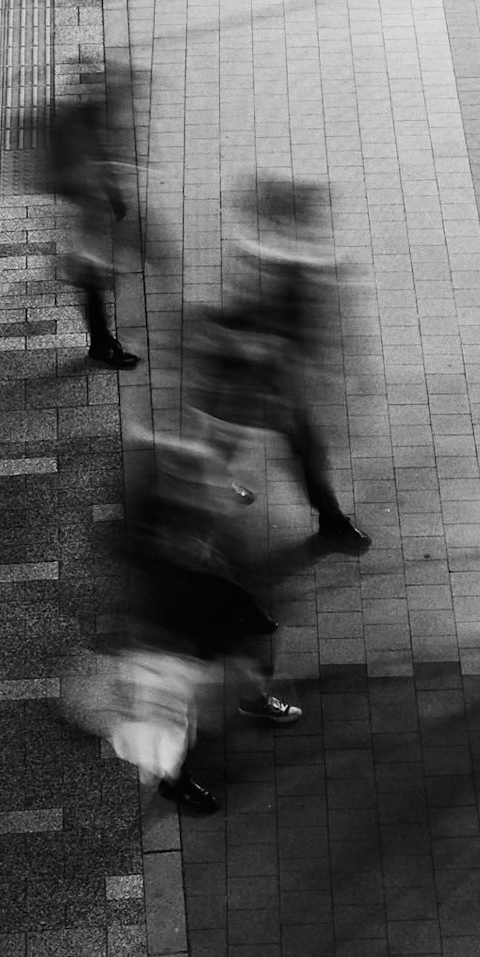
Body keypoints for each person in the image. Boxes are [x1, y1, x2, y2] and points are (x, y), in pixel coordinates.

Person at [119, 411, 301, 815]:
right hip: (173, 623)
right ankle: (174, 781)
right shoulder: (153, 517)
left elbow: (225, 500)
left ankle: (253, 701)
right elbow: (150, 561)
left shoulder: (193, 486)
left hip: (205, 608)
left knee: (237, 660)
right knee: (175, 708)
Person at [205, 175, 367, 554]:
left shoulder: (280, 257)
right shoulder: (267, 261)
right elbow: (235, 319)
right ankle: (329, 521)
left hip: (272, 375)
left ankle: (331, 519)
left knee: (295, 446)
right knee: (250, 441)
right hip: (254, 374)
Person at [30, 59, 145, 370]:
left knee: (94, 276)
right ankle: (102, 345)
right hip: (79, 212)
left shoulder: (89, 117)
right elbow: (81, 168)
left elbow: (102, 159)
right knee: (92, 279)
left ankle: (102, 340)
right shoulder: (80, 122)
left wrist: (114, 196)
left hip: (86, 210)